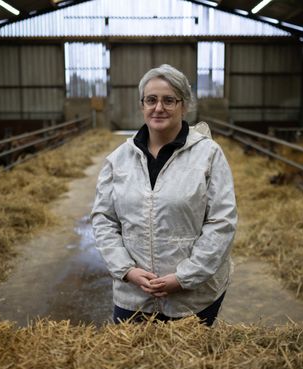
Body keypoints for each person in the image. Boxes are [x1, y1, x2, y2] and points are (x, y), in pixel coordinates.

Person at [91, 64, 237, 326]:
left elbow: (221, 222)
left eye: (169, 100)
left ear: (184, 106)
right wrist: (127, 270)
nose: (159, 108)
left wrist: (184, 277)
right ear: (142, 105)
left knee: (188, 364)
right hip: (133, 295)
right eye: (151, 100)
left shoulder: (209, 155)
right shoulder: (118, 159)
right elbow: (103, 219)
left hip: (193, 297)